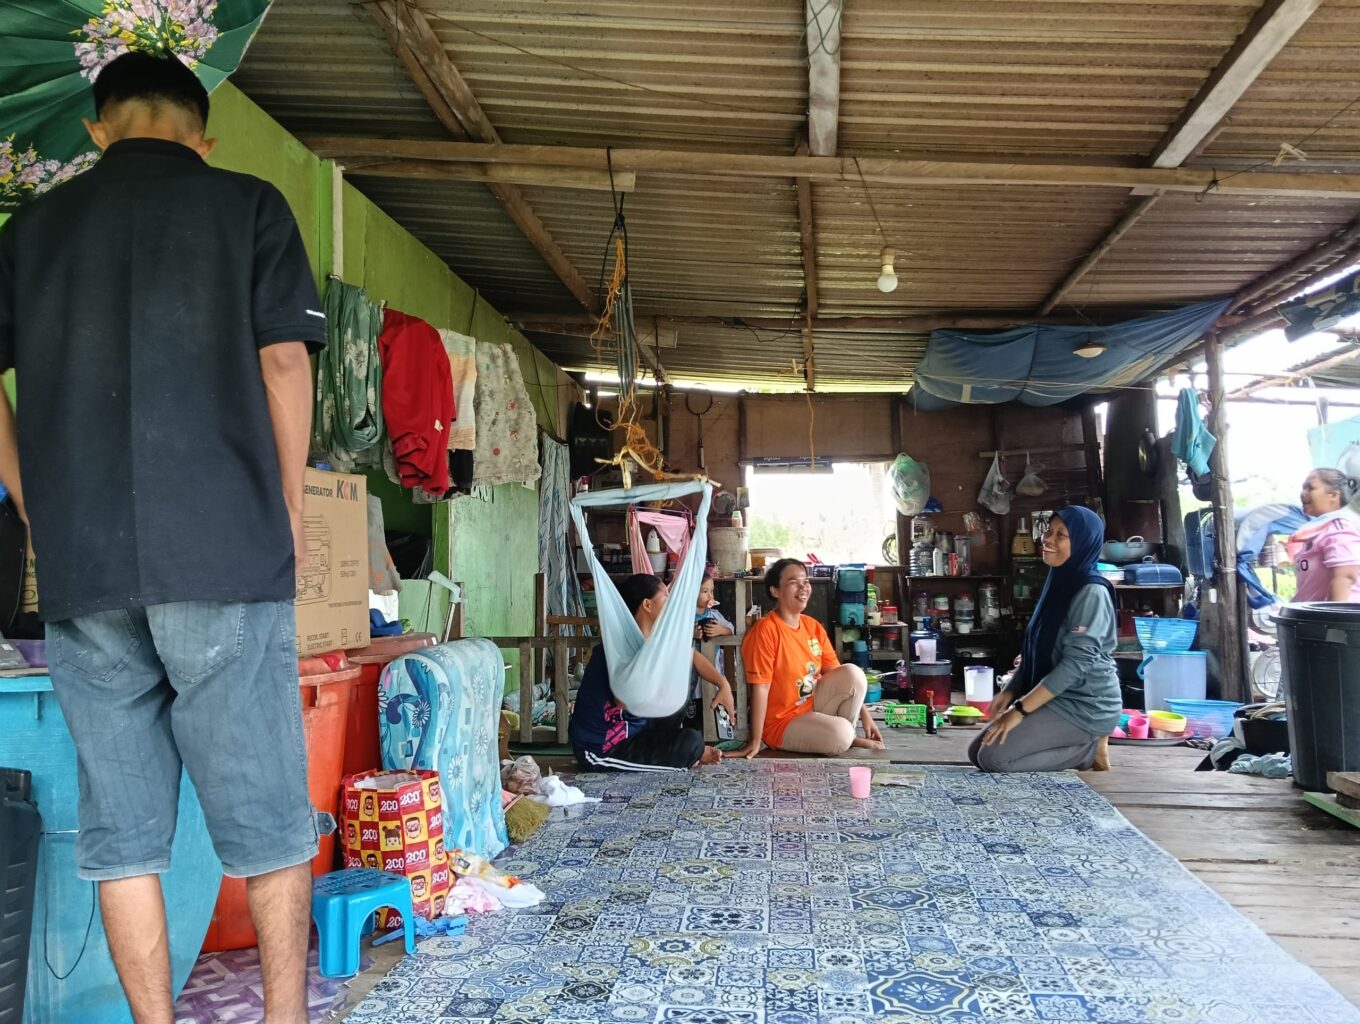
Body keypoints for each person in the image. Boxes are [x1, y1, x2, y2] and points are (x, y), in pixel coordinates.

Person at [0, 54, 323, 1024]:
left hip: (84, 565)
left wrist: (29, 493)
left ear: (97, 130)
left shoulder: (32, 232)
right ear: (202, 133)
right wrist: (290, 507)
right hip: (226, 554)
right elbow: (280, 359)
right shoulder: (251, 206)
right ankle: (284, 1017)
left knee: (122, 832)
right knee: (267, 818)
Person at [970, 507, 1121, 773]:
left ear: (1083, 543)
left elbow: (1074, 665)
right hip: (1054, 696)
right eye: (1049, 531)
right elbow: (1036, 649)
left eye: (1061, 535)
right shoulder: (1060, 582)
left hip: (1084, 704)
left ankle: (1087, 751)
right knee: (976, 752)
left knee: (993, 759)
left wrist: (1019, 710)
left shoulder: (1091, 592)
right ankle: (1078, 745)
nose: (1048, 539)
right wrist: (1011, 690)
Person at [570, 574, 735, 771]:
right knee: (693, 743)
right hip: (603, 749)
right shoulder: (618, 648)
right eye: (665, 598)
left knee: (685, 667)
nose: (671, 604)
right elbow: (625, 701)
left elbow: (693, 658)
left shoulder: (656, 639)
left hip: (638, 730)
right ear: (647, 605)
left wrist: (723, 684)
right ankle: (687, 753)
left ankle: (680, 748)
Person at [731, 558, 883, 758]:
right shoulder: (765, 630)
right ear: (775, 591)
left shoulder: (812, 627)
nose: (803, 587)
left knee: (853, 673)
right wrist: (756, 740)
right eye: (794, 582)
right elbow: (761, 687)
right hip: (781, 722)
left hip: (812, 705)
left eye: (806, 582)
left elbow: (842, 678)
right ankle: (843, 736)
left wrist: (866, 717)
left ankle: (843, 736)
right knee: (841, 734)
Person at [1287, 468, 1360, 602]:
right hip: (1312, 619)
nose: (1303, 493)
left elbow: (1345, 576)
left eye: (1310, 488)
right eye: (1303, 488)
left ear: (1333, 495)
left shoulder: (1339, 527)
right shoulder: (1319, 530)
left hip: (1331, 620)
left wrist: (1332, 621)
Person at [684, 569, 735, 728]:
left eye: (711, 591)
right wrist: (691, 634)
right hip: (689, 678)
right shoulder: (684, 617)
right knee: (694, 708)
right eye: (704, 591)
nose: (710, 596)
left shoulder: (715, 615)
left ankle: (718, 733)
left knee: (714, 703)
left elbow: (730, 629)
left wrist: (721, 630)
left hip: (714, 673)